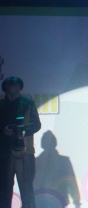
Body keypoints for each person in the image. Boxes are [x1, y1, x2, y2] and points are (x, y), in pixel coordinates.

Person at [0, 76, 41, 208]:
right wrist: (4, 130)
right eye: (9, 92)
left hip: (25, 151)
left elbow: (36, 125)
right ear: (5, 91)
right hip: (4, 153)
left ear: (20, 90)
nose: (13, 95)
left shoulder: (28, 103)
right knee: (4, 190)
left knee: (27, 189)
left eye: (16, 92)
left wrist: (23, 131)